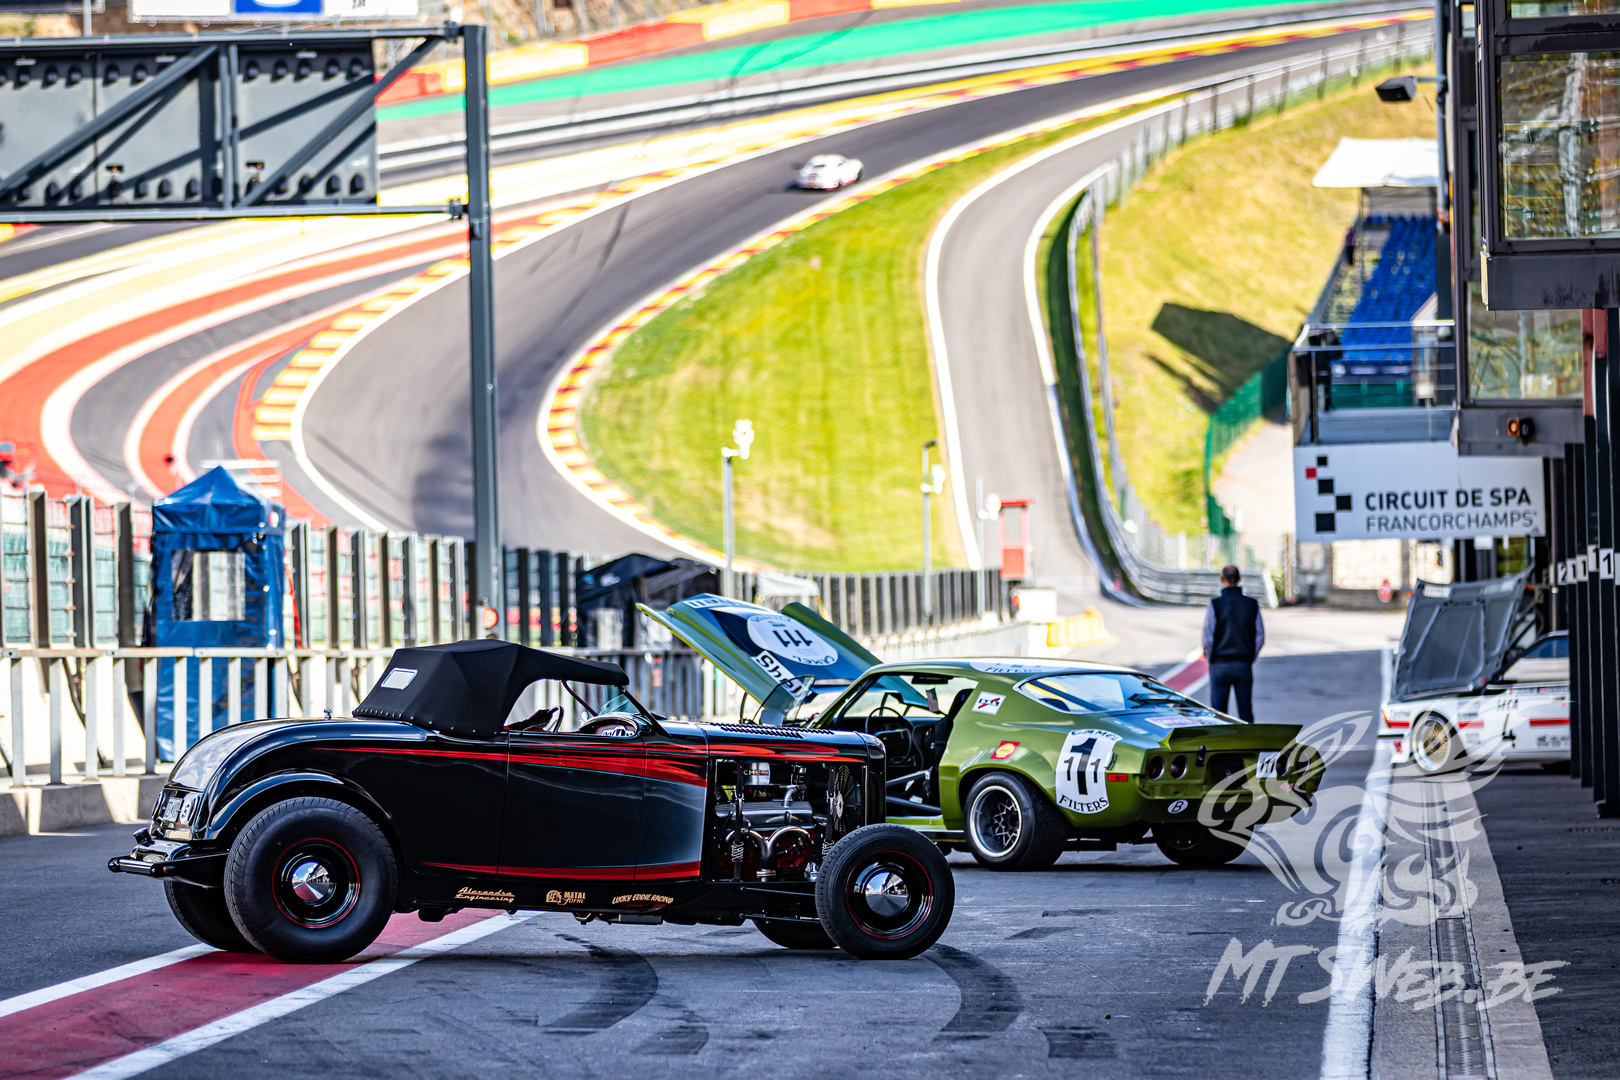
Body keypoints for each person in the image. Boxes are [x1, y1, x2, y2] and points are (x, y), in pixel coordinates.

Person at [1202, 564, 1264, 721]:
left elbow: (1208, 636)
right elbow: (1260, 635)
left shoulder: (1215, 604)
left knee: (1218, 714)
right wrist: (1250, 657)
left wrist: (1211, 659)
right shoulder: (1252, 604)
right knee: (1245, 712)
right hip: (1243, 664)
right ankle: (1249, 737)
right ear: (1239, 579)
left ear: (1221, 579)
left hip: (1220, 664)